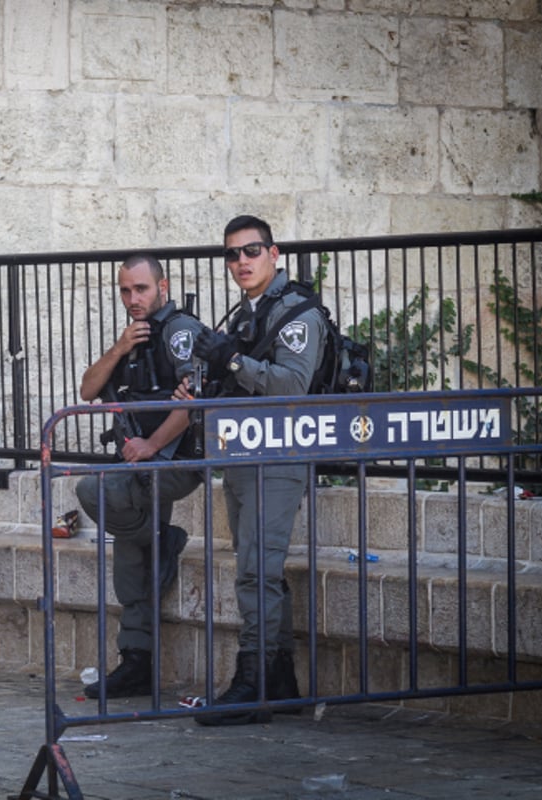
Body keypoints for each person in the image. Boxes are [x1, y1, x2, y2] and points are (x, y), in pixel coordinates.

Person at [178, 214, 323, 725]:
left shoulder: (297, 314)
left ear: (274, 253)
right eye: (233, 254)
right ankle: (280, 683)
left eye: (252, 250)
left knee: (256, 573)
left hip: (280, 456)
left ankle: (253, 678)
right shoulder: (246, 316)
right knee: (260, 570)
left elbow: (290, 388)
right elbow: (238, 383)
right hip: (243, 455)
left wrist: (232, 361)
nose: (242, 261)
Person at [75, 253, 207, 699]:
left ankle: (160, 541)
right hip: (141, 466)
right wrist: (118, 348)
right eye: (126, 290)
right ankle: (136, 660)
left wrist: (152, 445)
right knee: (134, 546)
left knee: (92, 489)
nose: (133, 298)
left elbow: (195, 401)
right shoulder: (133, 339)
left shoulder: (179, 333)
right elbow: (87, 390)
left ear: (162, 287)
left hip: (174, 462)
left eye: (142, 289)